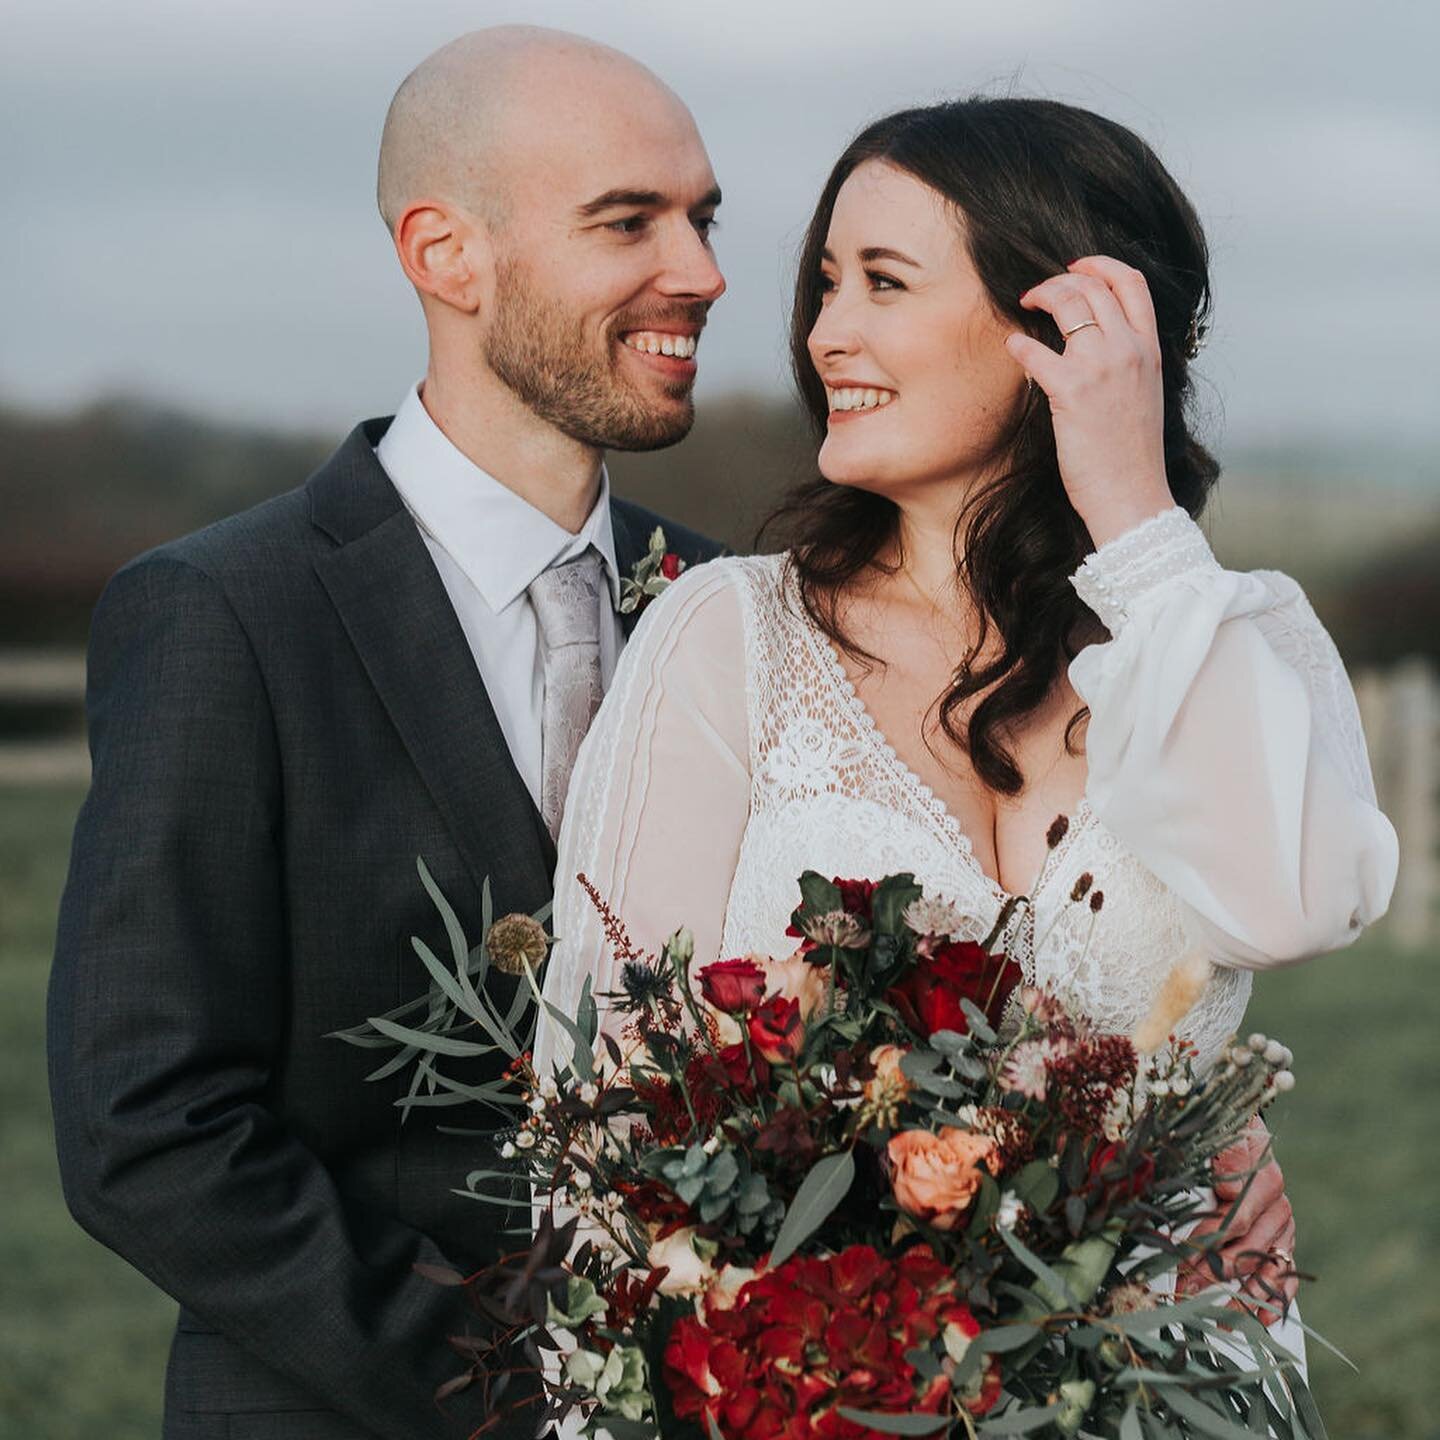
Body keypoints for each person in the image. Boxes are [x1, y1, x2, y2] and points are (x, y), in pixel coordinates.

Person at [541, 96, 1399, 1370]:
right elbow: (604, 1101)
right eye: (826, 285)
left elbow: (1286, 905)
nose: (828, 332)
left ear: (1064, 329)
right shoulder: (727, 636)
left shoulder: (1235, 641)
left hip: (1162, 1380)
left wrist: (1136, 519)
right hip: (798, 1384)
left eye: (885, 281)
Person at [49, 26, 724, 1440]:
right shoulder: (224, 615)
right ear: (445, 253)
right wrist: (529, 1394)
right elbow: (147, 1127)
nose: (703, 274)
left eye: (703, 220)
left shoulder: (732, 611)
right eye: (629, 221)